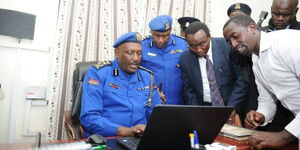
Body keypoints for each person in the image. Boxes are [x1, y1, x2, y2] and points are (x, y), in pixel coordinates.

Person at [223, 15, 299, 149]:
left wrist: (284, 136)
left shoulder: (289, 42)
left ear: (252, 27)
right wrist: (261, 115)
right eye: (229, 42)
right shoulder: (256, 59)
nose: (234, 45)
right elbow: (267, 99)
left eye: (235, 36)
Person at [80, 32, 161, 137]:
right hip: (107, 138)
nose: (136, 58)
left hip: (140, 139)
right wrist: (126, 131)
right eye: (130, 53)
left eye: (139, 53)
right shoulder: (98, 74)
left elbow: (156, 116)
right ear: (117, 53)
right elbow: (89, 117)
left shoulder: (147, 77)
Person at [180, 22, 249, 125]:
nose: (198, 49)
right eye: (193, 46)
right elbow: (189, 90)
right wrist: (196, 113)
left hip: (231, 105)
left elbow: (242, 79)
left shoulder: (227, 47)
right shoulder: (185, 58)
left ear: (209, 37)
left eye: (202, 44)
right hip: (204, 110)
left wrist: (231, 107)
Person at [141, 15, 188, 105]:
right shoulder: (142, 46)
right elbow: (138, 74)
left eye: (165, 36)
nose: (161, 40)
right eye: (157, 36)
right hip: (152, 102)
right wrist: (153, 90)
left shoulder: (183, 44)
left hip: (179, 103)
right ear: (151, 32)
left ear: (170, 32)